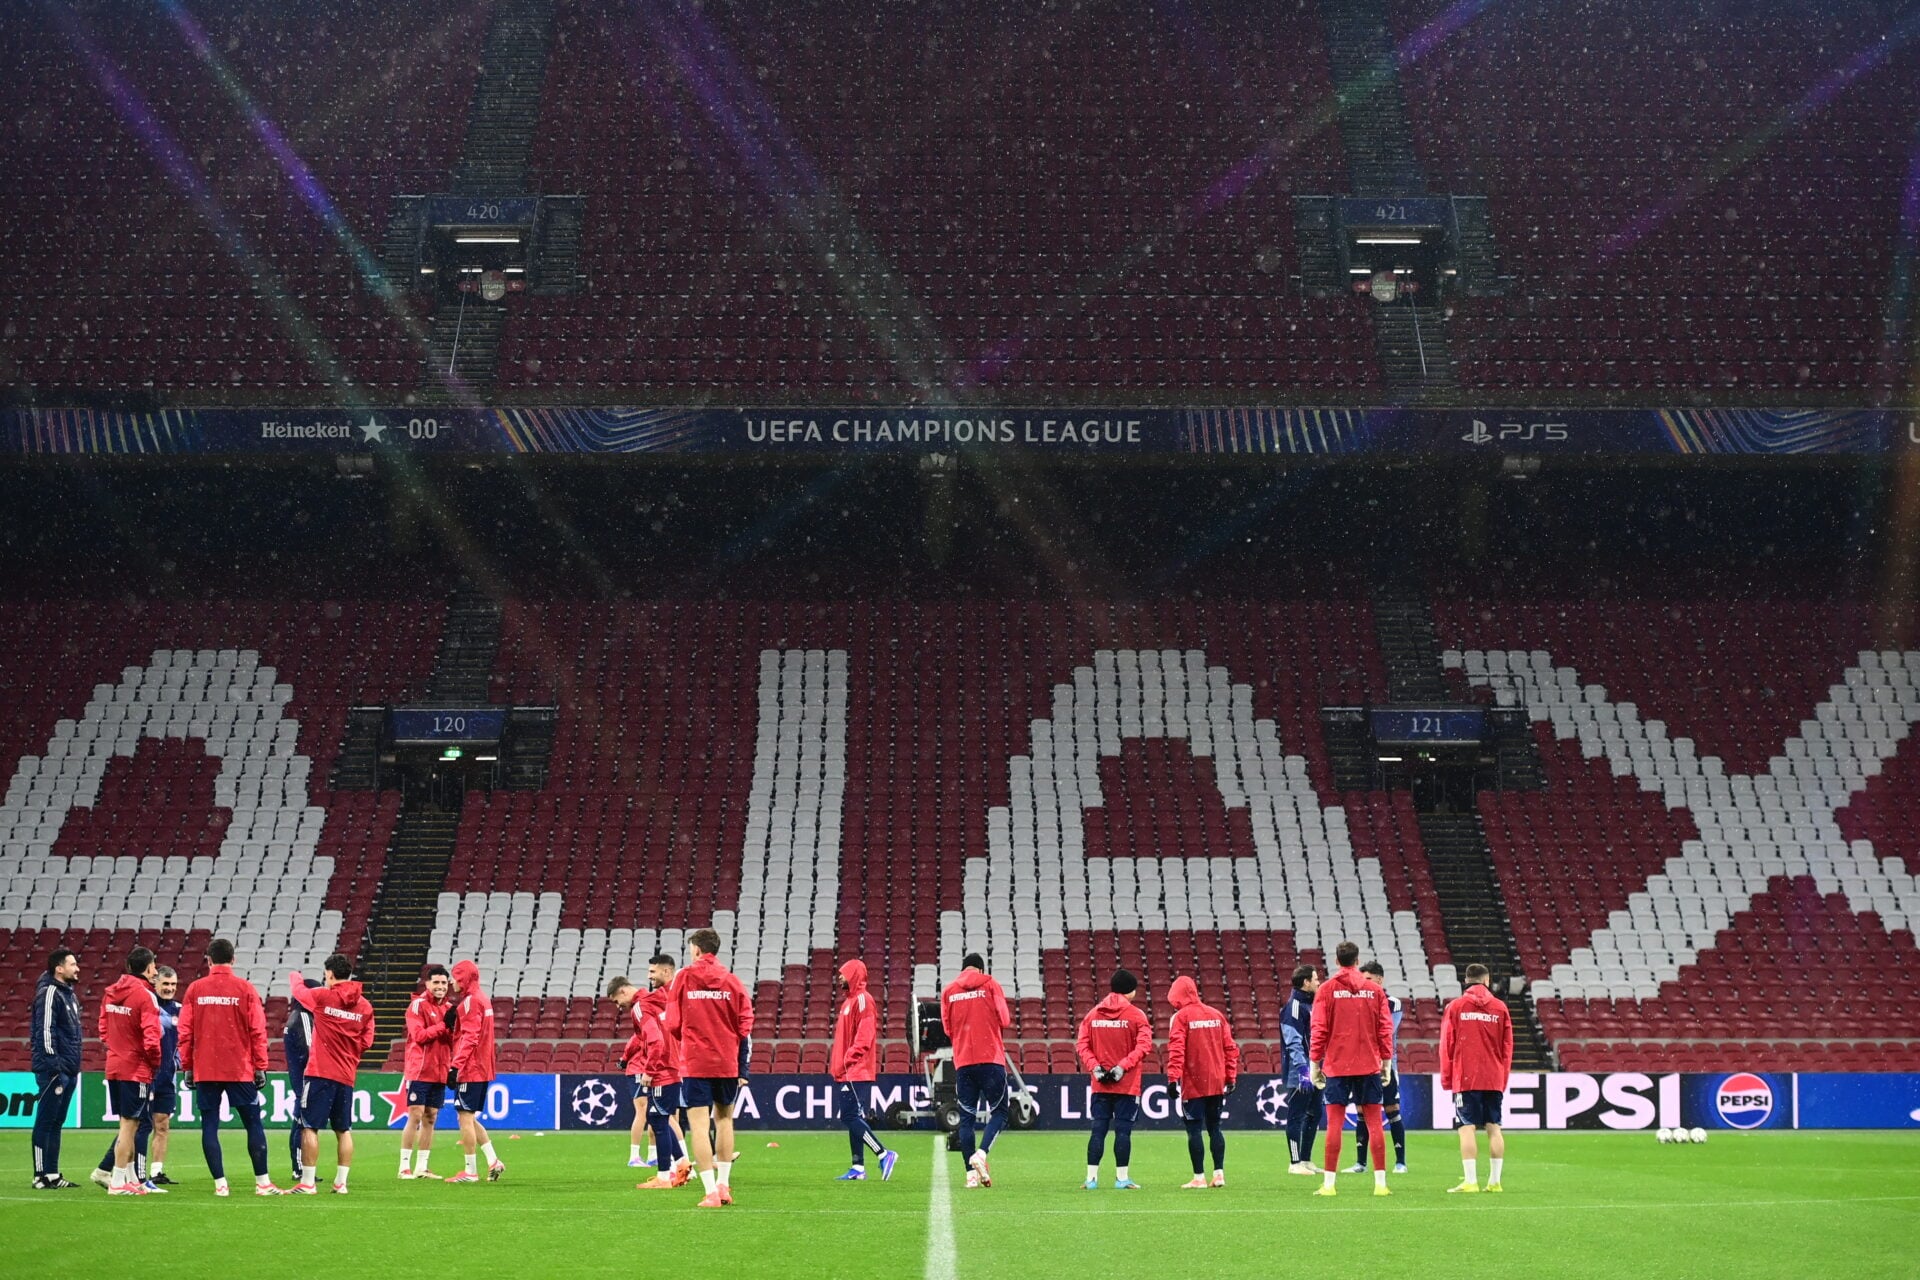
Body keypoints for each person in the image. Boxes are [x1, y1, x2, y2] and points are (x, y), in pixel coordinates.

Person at [177, 940, 278, 1196]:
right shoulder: (245, 989)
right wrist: (260, 1066)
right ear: (233, 960)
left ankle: (220, 1185)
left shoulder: (195, 989)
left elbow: (185, 1032)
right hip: (238, 1068)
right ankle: (263, 1183)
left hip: (206, 1068)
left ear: (208, 960)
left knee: (209, 1125)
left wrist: (188, 1066)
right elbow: (257, 1030)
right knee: (253, 1123)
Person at [672, 928, 754, 1208]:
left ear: (696, 949)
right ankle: (724, 1185)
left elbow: (672, 1022)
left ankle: (710, 1192)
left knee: (698, 1125)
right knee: (725, 1120)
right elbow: (745, 1023)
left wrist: (691, 1036)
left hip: (696, 1061)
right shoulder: (732, 981)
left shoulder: (684, 977)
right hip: (726, 1062)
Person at [1309, 941, 1394, 1198]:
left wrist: (1315, 1063)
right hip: (1368, 1065)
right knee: (1375, 1123)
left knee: (1334, 1124)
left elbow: (1319, 1029)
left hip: (1337, 1065)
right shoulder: (1375, 990)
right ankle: (1380, 1184)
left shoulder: (1326, 990)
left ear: (1337, 961)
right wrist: (1386, 1061)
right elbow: (1385, 1028)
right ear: (1357, 961)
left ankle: (1329, 1185)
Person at [288, 955, 376, 1194]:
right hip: (346, 1075)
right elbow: (367, 1041)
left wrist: (295, 975)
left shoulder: (322, 996)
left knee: (309, 1127)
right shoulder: (365, 1006)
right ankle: (341, 1183)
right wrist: (349, 1050)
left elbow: (299, 992)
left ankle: (307, 1183)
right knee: (343, 1130)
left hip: (319, 1073)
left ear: (329, 974)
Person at [93, 966, 180, 1192]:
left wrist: (177, 1062)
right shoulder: (144, 1001)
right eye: (165, 984)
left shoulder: (178, 1009)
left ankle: (151, 1173)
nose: (169, 988)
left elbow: (181, 1040)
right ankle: (135, 1177)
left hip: (165, 1076)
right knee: (137, 1124)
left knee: (156, 1124)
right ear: (155, 982)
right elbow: (146, 1039)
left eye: (173, 984)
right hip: (143, 1070)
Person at [1074, 968, 1151, 1190]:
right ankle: (1121, 1179)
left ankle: (1091, 1179)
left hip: (1100, 1085)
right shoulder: (1136, 1015)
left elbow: (1082, 1045)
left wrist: (1096, 1068)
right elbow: (1144, 1046)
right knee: (1123, 1131)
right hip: (1126, 1085)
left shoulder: (1093, 1014)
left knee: (1098, 1129)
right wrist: (1122, 1067)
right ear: (1130, 991)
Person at [940, 952, 1011, 1189]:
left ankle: (970, 1176)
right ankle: (981, 1154)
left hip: (963, 1062)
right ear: (981, 969)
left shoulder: (949, 991)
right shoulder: (991, 984)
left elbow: (947, 1029)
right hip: (990, 1059)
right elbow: (1005, 1019)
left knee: (967, 1119)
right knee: (1000, 1113)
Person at [1441, 963, 1514, 1194]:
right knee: (1494, 1127)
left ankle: (1471, 1181)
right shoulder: (1500, 1007)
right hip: (1493, 1076)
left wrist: (1447, 1077)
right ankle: (1495, 1181)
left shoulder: (1456, 1006)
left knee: (1466, 1127)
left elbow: (1447, 1044)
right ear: (1486, 980)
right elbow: (1507, 1047)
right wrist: (1502, 1078)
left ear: (1466, 980)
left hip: (1466, 1077)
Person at [1165, 974, 1239, 1189]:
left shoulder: (1181, 1017)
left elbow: (1177, 1049)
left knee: (1194, 1129)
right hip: (1216, 1081)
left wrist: (1173, 1078)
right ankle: (1219, 1174)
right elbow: (1230, 1048)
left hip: (1194, 1082)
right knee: (1215, 1128)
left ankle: (1199, 1177)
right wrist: (1230, 1076)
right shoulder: (1216, 1014)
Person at [99, 946, 163, 1195]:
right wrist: (154, 1063)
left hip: (114, 1065)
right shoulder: (145, 996)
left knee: (129, 1124)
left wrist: (117, 1048)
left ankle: (130, 1178)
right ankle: (117, 1182)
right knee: (129, 1126)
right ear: (147, 968)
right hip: (135, 1069)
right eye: (154, 966)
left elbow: (103, 1029)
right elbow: (151, 1038)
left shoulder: (110, 993)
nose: (155, 971)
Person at [828, 957, 898, 1182]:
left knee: (849, 1116)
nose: (840, 977)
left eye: (843, 973)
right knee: (854, 1117)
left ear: (853, 975)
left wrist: (847, 1060)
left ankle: (884, 1154)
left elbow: (864, 1037)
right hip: (847, 1071)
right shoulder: (848, 1002)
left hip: (855, 1070)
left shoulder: (863, 1000)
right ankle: (858, 1167)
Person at [633, 954, 691, 1191]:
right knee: (663, 1118)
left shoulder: (647, 1004)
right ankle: (682, 1163)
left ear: (667, 972)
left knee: (657, 1119)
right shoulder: (678, 998)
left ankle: (664, 1177)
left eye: (653, 971)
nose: (649, 976)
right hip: (678, 1067)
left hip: (663, 1070)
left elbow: (655, 1040)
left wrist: (649, 1070)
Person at [445, 958, 505, 1184]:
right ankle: (493, 1161)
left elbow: (470, 1038)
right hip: (482, 1067)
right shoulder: (482, 999)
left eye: (455, 977)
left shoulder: (470, 1002)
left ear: (463, 979)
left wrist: (455, 1066)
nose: (452, 982)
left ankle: (470, 1171)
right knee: (467, 1116)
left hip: (470, 1068)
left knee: (464, 1118)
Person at [30, 948, 83, 1190]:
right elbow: (45, 1031)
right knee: (46, 1120)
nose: (77, 968)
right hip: (54, 1069)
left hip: (68, 1068)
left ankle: (52, 1173)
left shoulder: (68, 994)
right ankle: (39, 1175)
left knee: (57, 1121)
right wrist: (54, 1067)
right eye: (73, 964)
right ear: (59, 969)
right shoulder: (49, 993)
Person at [1347, 962, 1407, 1174]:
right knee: (1361, 1112)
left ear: (1379, 979)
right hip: (1361, 1065)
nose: (1364, 984)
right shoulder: (1357, 1001)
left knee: (1392, 1110)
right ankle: (1360, 1163)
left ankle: (1400, 1162)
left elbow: (1386, 1031)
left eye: (1368, 979)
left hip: (1385, 1066)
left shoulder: (1393, 1003)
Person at [401, 965, 453, 1179]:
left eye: (444, 982)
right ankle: (404, 1167)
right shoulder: (417, 1005)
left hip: (439, 1071)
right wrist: (443, 1026)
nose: (440, 986)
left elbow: (452, 1041)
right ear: (427, 984)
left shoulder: (450, 1008)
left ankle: (422, 1167)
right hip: (419, 1070)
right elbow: (419, 1036)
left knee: (431, 1117)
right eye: (436, 982)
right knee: (415, 1114)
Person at [1280, 964, 1321, 1175]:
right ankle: (1294, 1162)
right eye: (1315, 979)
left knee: (1315, 1113)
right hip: (1301, 1070)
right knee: (1296, 1115)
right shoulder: (1294, 1007)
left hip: (1317, 1067)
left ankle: (1306, 1159)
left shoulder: (1311, 1005)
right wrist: (1303, 1070)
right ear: (1306, 982)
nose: (1318, 982)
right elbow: (1293, 1042)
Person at [282, 974, 322, 1184]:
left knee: (302, 1122)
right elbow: (310, 1052)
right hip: (307, 1080)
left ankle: (301, 1167)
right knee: (302, 1123)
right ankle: (299, 1168)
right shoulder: (303, 1018)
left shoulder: (297, 1016)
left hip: (301, 1079)